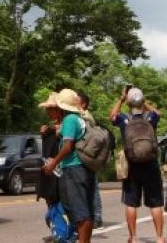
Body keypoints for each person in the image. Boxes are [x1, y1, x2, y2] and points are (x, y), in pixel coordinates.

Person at [109, 86, 165, 243]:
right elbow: (158, 113)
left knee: (131, 203)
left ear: (129, 103)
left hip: (132, 165)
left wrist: (121, 99)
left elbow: (112, 116)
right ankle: (160, 237)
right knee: (155, 203)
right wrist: (144, 103)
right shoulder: (150, 118)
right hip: (151, 165)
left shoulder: (124, 119)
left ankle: (133, 238)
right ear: (142, 101)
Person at [41, 89, 96, 243]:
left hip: (74, 169)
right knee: (84, 212)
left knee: (80, 213)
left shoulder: (70, 119)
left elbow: (67, 146)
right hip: (81, 169)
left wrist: (53, 163)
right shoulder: (78, 118)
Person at [77, 91, 104, 229]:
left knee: (93, 186)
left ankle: (97, 217)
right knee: (91, 186)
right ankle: (92, 216)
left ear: (83, 104)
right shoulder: (83, 115)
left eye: (76, 100)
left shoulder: (85, 116)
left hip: (87, 155)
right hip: (86, 154)